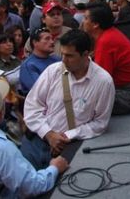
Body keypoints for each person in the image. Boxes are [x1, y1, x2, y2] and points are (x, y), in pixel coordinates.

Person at [21, 30, 115, 170]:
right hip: (37, 140)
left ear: (86, 54)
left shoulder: (103, 82)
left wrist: (67, 136)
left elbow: (100, 122)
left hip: (69, 146)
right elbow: (32, 106)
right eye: (62, 54)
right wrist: (49, 134)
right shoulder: (52, 71)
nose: (64, 60)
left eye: (70, 56)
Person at [83, 3, 130, 114]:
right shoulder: (110, 33)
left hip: (129, 95)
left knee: (79, 103)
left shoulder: (105, 42)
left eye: (85, 18)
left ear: (95, 24)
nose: (83, 21)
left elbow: (101, 81)